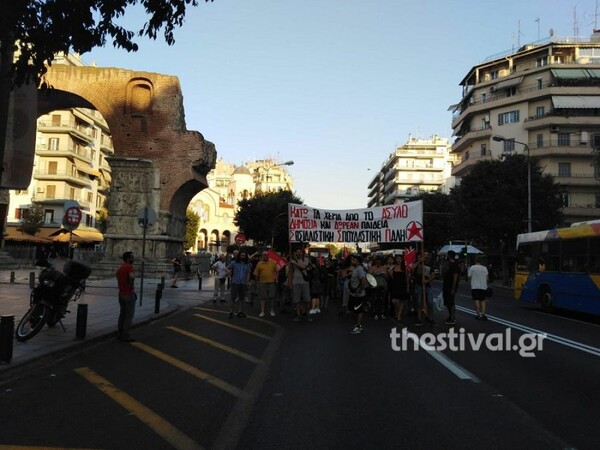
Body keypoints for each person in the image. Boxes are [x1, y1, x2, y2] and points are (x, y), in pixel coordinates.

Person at [116, 251, 136, 342]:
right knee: (129, 316)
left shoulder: (120, 268)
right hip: (128, 294)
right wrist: (131, 286)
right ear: (128, 258)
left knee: (122, 314)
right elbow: (131, 277)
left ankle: (119, 333)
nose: (133, 259)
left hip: (121, 294)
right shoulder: (129, 267)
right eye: (132, 257)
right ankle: (126, 334)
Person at [288, 248, 312, 322]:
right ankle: (298, 315)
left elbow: (303, 267)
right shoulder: (292, 262)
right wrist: (290, 283)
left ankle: (307, 314)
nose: (298, 253)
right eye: (297, 252)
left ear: (302, 253)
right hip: (296, 282)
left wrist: (294, 262)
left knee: (307, 299)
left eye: (300, 252)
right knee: (297, 300)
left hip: (304, 282)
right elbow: (290, 272)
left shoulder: (305, 260)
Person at [227, 251, 252, 318]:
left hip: (243, 283)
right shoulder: (234, 263)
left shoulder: (248, 264)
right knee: (233, 298)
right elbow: (227, 268)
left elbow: (248, 274)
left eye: (244, 256)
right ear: (239, 256)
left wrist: (247, 282)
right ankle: (231, 311)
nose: (243, 257)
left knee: (241, 298)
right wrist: (229, 272)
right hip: (235, 282)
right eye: (241, 255)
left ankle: (240, 311)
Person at [254, 251, 278, 317]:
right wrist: (257, 283)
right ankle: (262, 311)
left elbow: (277, 270)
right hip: (262, 282)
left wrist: (276, 278)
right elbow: (256, 274)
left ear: (268, 256)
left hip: (271, 282)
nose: (265, 256)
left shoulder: (273, 262)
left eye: (267, 255)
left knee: (272, 297)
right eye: (264, 255)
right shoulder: (259, 263)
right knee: (262, 297)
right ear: (262, 256)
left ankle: (272, 310)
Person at [413, 251, 434, 326]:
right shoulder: (418, 263)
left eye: (427, 255)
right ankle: (419, 319)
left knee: (430, 303)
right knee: (419, 303)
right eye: (424, 255)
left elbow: (433, 275)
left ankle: (430, 318)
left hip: (427, 286)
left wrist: (426, 281)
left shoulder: (430, 264)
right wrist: (419, 261)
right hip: (418, 285)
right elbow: (412, 268)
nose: (426, 256)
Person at [348, 254, 367, 334]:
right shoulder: (354, 269)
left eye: (354, 260)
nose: (352, 261)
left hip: (358, 295)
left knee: (359, 311)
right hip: (352, 294)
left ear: (358, 261)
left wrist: (359, 291)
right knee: (354, 311)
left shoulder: (359, 269)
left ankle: (358, 327)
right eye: (352, 260)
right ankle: (357, 325)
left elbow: (363, 281)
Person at [388, 254, 409, 322]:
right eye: (397, 258)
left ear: (402, 259)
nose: (398, 260)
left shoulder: (404, 268)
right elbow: (391, 275)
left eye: (399, 258)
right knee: (394, 301)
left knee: (401, 300)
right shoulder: (393, 267)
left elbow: (407, 277)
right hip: (395, 285)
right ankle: (396, 311)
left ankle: (399, 314)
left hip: (402, 285)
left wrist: (408, 286)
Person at [468, 256, 489, 320]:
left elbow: (469, 276)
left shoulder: (472, 267)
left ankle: (478, 314)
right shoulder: (484, 268)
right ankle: (483, 313)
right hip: (483, 286)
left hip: (475, 286)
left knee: (476, 300)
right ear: (481, 261)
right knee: (483, 300)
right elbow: (487, 278)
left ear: (475, 260)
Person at [442, 250, 460, 325]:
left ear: (449, 255)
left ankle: (452, 318)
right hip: (446, 286)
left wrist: (453, 288)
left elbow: (455, 277)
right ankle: (450, 316)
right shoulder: (449, 264)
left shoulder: (455, 265)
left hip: (450, 287)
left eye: (447, 254)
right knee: (447, 302)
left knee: (451, 302)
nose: (446, 255)